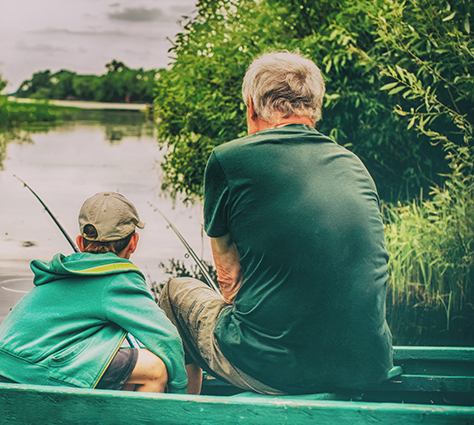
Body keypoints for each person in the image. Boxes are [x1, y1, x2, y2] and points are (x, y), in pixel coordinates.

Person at [158, 51, 393, 395]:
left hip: (278, 372)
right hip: (368, 364)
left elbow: (229, 279)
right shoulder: (353, 163)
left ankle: (183, 411)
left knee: (175, 294)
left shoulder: (229, 159)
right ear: (315, 108)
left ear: (251, 106)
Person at [0, 192, 187, 394]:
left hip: (2, 363)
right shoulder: (118, 278)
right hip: (34, 369)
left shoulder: (64, 269)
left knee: (129, 375)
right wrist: (179, 394)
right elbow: (166, 339)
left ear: (81, 243)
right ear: (133, 242)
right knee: (155, 369)